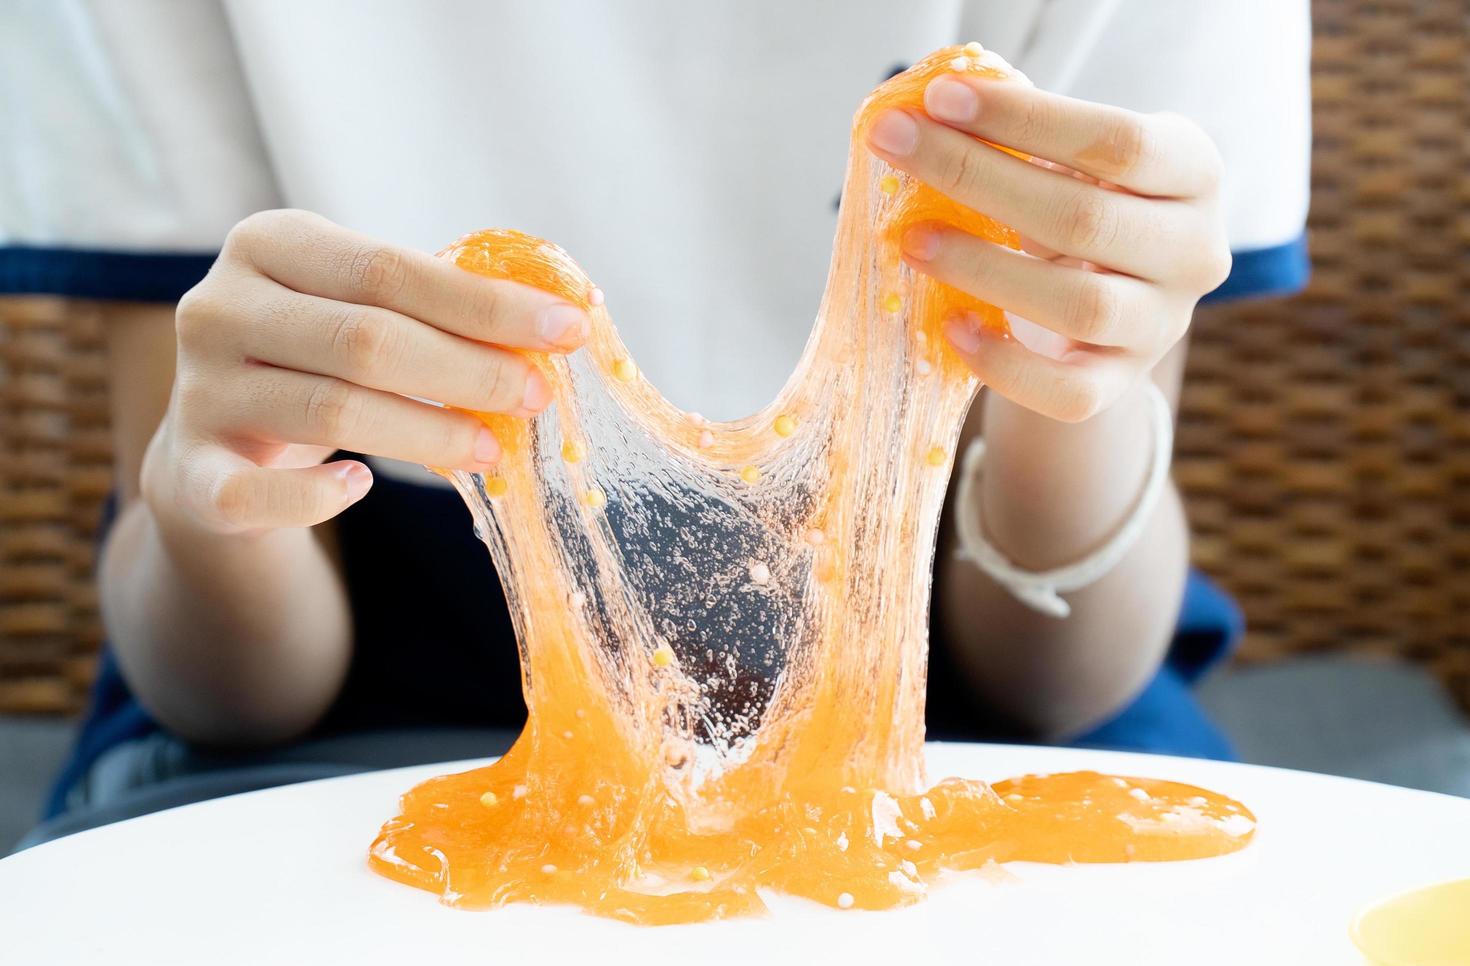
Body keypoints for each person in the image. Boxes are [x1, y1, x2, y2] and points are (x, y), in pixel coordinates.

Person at [2, 0, 1311, 844]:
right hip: (357, 684)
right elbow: (230, 693)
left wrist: (1062, 366)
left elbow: (1061, 681)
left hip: (961, 704)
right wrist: (218, 496)